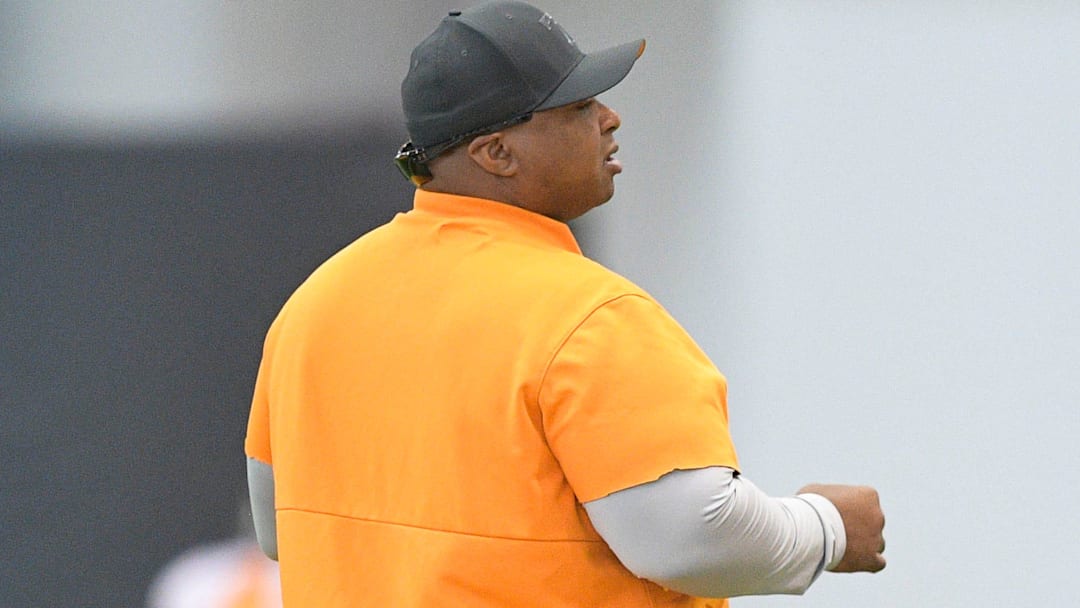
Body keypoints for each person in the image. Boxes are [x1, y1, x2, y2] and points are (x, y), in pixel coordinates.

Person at [243, 2, 886, 606]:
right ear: (496, 153)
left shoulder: (314, 305)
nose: (610, 117)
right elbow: (689, 537)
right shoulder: (587, 316)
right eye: (576, 105)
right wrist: (825, 526)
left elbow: (281, 528)